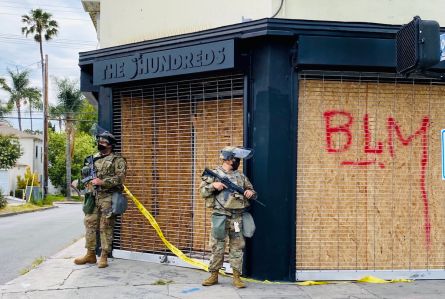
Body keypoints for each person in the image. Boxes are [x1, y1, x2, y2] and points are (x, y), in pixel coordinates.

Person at [199, 146, 257, 288]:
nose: (238, 161)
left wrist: (250, 193)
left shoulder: (240, 176)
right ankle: (214, 275)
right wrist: (214, 185)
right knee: (217, 246)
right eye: (236, 158)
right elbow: (203, 192)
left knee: (237, 247)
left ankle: (237, 277)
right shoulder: (214, 174)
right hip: (219, 216)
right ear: (229, 159)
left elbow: (252, 192)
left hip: (236, 217)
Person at [74, 130, 127, 268]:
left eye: (103, 142)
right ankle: (90, 254)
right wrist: (85, 180)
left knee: (106, 226)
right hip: (93, 196)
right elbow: (87, 176)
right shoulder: (92, 159)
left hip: (108, 197)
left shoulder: (117, 160)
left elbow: (120, 178)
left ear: (110, 145)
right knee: (89, 223)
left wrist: (102, 182)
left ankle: (104, 255)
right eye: (99, 141)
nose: (100, 144)